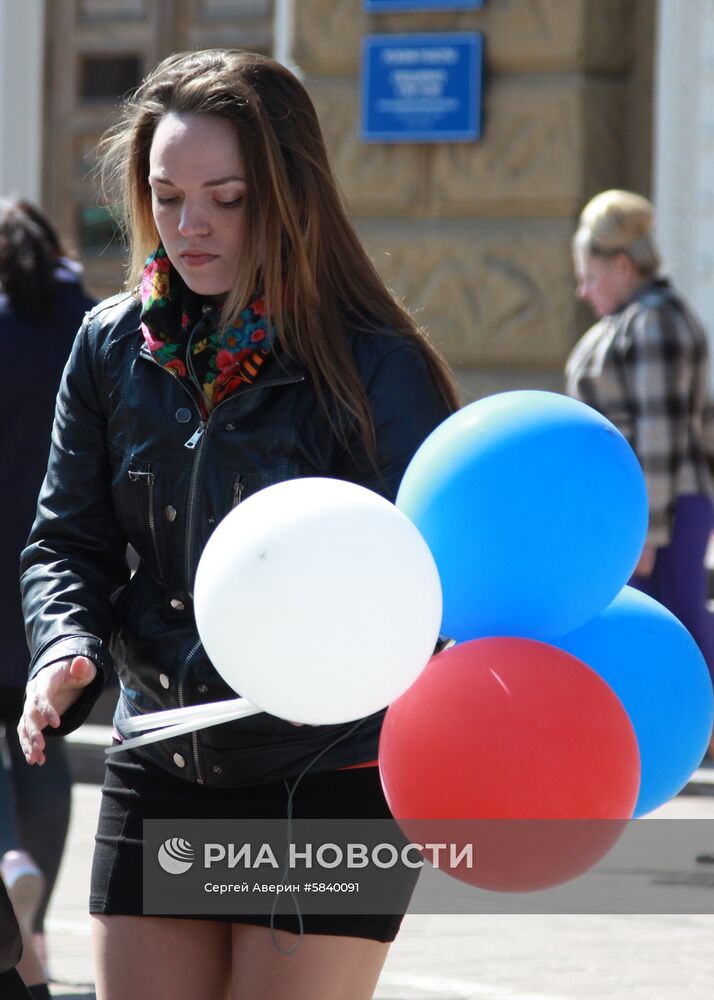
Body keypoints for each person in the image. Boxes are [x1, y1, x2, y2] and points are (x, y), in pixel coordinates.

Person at [17, 49, 459, 1000]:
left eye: (227, 197)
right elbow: (68, 539)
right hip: (163, 751)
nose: (189, 226)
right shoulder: (108, 346)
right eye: (167, 195)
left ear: (288, 197)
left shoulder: (376, 365)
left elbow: (427, 585)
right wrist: (64, 646)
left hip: (329, 771)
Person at [0, 197, 95, 991]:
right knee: (43, 744)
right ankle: (34, 919)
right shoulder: (89, 321)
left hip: (15, 561)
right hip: (58, 578)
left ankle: (6, 863)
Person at [566, 189, 714, 682]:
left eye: (589, 277)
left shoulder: (653, 321)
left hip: (661, 511)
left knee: (679, 631)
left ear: (623, 266)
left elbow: (659, 434)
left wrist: (646, 532)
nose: (584, 292)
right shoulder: (640, 320)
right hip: (648, 508)